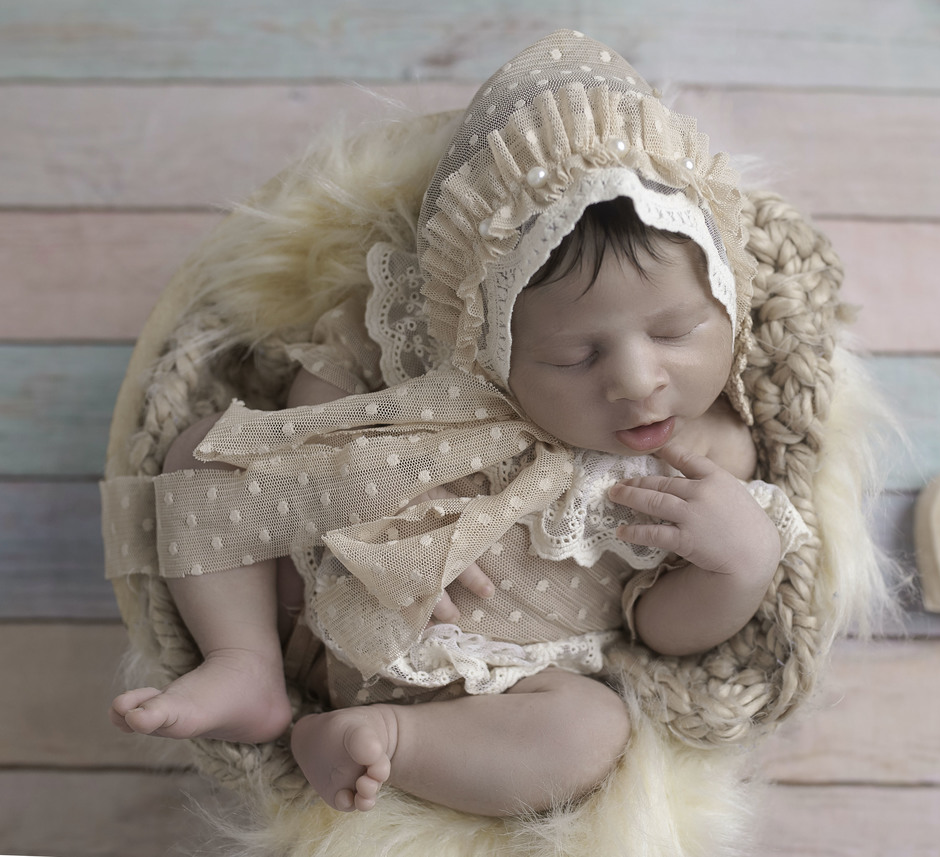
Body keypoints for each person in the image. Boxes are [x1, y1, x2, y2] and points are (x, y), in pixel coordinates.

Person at [108, 30, 810, 817]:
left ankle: (392, 739)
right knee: (205, 451)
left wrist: (738, 566)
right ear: (492, 336)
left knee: (592, 732)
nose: (636, 381)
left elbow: (658, 628)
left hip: (498, 690)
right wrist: (371, 511)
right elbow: (321, 402)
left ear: (729, 301)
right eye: (574, 356)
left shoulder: (708, 458)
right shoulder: (434, 347)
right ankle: (246, 664)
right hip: (313, 598)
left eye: (675, 332)